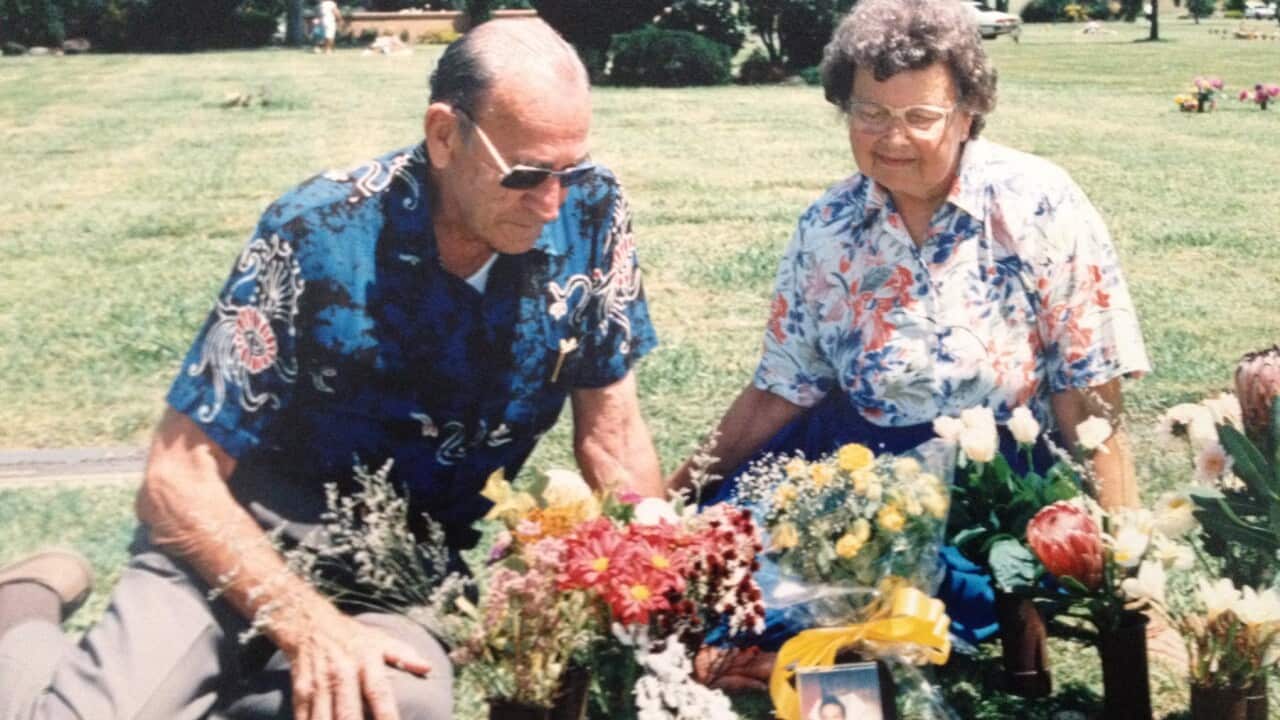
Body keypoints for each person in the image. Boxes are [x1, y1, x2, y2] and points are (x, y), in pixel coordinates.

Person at [0, 18, 660, 720]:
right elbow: (175, 477)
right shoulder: (314, 230)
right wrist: (304, 623)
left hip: (396, 571)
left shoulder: (593, 211)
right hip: (236, 539)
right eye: (526, 174)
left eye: (572, 170)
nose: (552, 201)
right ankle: (22, 615)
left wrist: (662, 592)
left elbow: (613, 436)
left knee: (392, 704)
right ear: (444, 134)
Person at [680, 0, 1150, 689]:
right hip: (859, 469)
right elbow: (779, 389)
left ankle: (851, 637)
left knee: (922, 594)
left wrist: (1128, 582)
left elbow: (1090, 399)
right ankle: (820, 642)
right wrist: (677, 493)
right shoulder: (827, 226)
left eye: (919, 117)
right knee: (712, 556)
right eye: (869, 113)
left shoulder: (1040, 204)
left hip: (993, 481)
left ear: (968, 113)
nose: (891, 138)